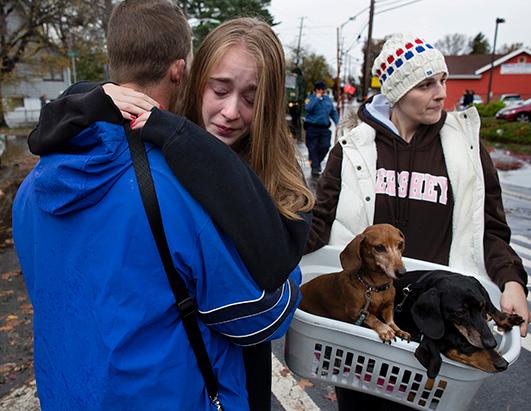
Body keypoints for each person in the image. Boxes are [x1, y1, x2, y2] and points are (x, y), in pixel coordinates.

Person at [13, 3, 308, 410]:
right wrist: (290, 277)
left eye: (251, 98)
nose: (229, 111)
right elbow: (262, 314)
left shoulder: (34, 184)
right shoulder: (176, 191)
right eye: (219, 90)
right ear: (184, 73)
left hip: (69, 391)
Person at [305, 33, 529, 410]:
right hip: (363, 324)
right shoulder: (353, 148)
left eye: (443, 80)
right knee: (360, 404)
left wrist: (512, 281)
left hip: (434, 325)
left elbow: (489, 227)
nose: (441, 93)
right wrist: (271, 254)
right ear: (397, 91)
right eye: (426, 84)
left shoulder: (466, 148)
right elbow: (319, 222)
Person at [304, 80, 339, 177]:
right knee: (312, 148)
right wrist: (316, 99)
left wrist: (337, 122)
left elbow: (332, 112)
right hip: (312, 127)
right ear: (315, 90)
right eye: (319, 89)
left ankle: (316, 162)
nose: (321, 91)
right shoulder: (310, 98)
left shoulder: (327, 99)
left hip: (324, 128)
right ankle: (315, 167)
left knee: (325, 146)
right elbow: (307, 108)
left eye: (322, 89)